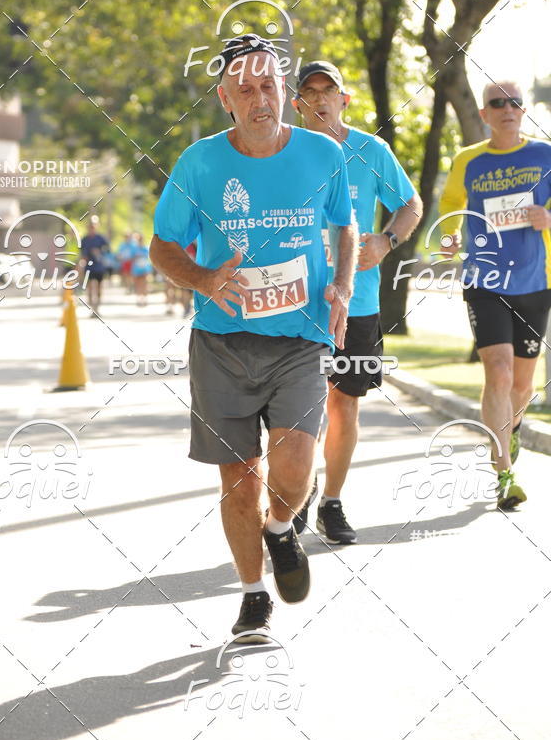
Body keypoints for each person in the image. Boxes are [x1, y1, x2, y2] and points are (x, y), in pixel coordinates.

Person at [150, 35, 357, 643]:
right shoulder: (200, 164)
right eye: (245, 88)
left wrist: (342, 286)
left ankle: (280, 526)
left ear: (284, 94)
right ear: (226, 99)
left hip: (299, 338)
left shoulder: (323, 155)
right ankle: (252, 594)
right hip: (222, 342)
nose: (259, 97)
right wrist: (205, 277)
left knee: (294, 471)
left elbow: (345, 226)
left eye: (269, 85)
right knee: (238, 478)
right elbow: (162, 246)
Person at [293, 61, 423, 542]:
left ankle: (331, 501)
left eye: (330, 91)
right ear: (298, 104)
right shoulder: (284, 152)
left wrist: (387, 241)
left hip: (358, 302)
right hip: (295, 301)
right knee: (297, 407)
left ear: (344, 100)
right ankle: (297, 489)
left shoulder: (371, 150)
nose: (320, 99)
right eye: (310, 92)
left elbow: (410, 204)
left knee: (344, 405)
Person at [439, 79, 551, 510]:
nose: (507, 108)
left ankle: (513, 424)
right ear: (483, 114)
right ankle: (504, 472)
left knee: (521, 385)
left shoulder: (544, 155)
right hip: (484, 282)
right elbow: (451, 206)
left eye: (515, 103)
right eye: (497, 103)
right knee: (499, 372)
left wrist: (547, 215)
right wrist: (449, 237)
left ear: (523, 111)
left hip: (535, 282)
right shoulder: (468, 160)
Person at [80, 216, 109, 315]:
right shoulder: (84, 239)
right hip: (89, 267)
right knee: (90, 287)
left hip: (99, 266)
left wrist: (100, 252)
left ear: (97, 226)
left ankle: (97, 307)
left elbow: (108, 251)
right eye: (90, 226)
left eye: (93, 226)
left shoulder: (101, 238)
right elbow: (81, 253)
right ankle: (92, 309)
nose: (91, 228)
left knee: (99, 288)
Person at [130, 231, 152, 305]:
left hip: (145, 268)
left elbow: (148, 257)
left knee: (145, 283)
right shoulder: (134, 248)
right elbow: (131, 257)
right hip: (136, 268)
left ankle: (145, 299)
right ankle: (139, 299)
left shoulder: (146, 248)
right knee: (138, 284)